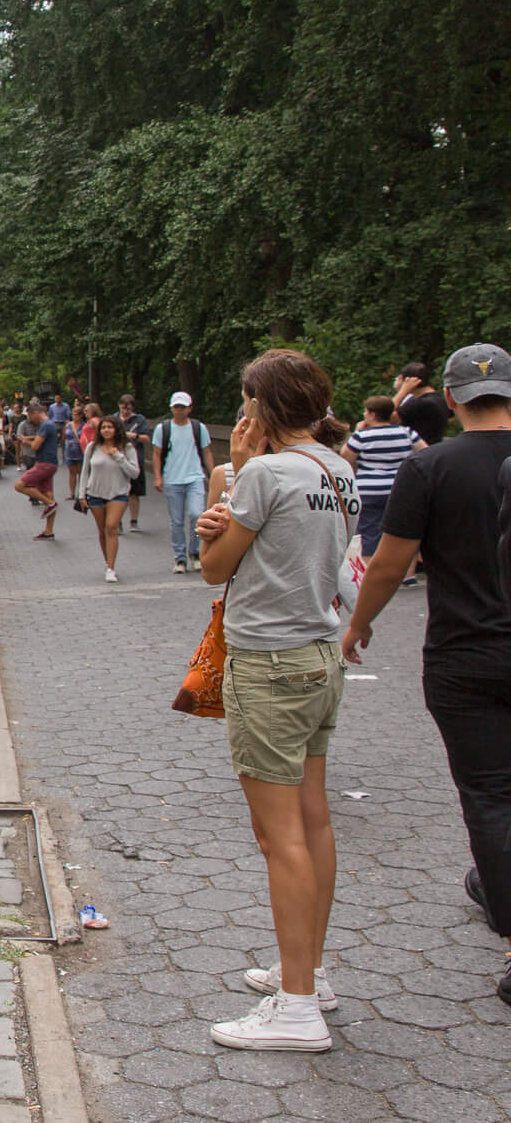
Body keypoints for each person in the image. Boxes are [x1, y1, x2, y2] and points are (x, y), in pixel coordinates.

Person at [195, 349, 358, 1052]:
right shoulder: (336, 466)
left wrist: (222, 491)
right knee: (314, 820)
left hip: (268, 659)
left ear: (259, 407)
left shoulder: (262, 472)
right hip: (320, 654)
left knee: (278, 836)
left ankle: (296, 1010)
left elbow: (213, 567)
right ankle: (309, 971)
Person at [343, 345, 511, 1007]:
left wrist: (358, 624)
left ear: (447, 396)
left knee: (491, 795)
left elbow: (389, 562)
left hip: (464, 653)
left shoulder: (430, 466)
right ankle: (489, 881)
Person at [342, 397, 422, 559]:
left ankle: (368, 571)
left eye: (366, 411)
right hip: (400, 488)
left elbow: (345, 458)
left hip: (369, 490)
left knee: (369, 533)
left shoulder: (361, 436)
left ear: (372, 414)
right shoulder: (407, 433)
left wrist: (359, 430)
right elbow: (424, 452)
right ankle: (408, 575)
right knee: (402, 532)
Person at [154, 392, 214, 574]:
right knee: (177, 521)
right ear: (172, 408)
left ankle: (195, 552)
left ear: (190, 408)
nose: (179, 410)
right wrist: (158, 476)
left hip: (194, 478)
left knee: (197, 515)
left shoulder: (198, 428)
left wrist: (213, 474)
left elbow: (207, 451)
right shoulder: (163, 429)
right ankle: (180, 558)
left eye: (183, 407)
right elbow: (156, 453)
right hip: (173, 479)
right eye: (176, 407)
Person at [83, 416, 140, 582]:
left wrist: (118, 457)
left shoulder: (126, 448)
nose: (106, 430)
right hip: (95, 493)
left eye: (110, 427)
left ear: (117, 429)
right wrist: (81, 495)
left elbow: (135, 473)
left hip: (118, 493)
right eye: (103, 427)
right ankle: (108, 561)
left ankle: (111, 568)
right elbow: (85, 471)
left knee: (111, 527)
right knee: (102, 531)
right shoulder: (93, 447)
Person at [12, 400, 62, 539]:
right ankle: (48, 530)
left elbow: (35, 446)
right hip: (51, 463)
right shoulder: (49, 424)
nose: (30, 420)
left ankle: (50, 504)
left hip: (44, 463)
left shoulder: (44, 425)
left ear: (35, 413)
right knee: (48, 494)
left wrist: (25, 441)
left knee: (19, 486)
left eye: (30, 416)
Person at [395, 361, 452, 446]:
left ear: (408, 381)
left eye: (400, 378)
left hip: (420, 451)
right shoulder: (438, 398)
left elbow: (382, 415)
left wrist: (403, 391)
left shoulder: (421, 403)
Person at [119, 395, 150, 531]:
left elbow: (147, 438)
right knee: (118, 492)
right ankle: (117, 521)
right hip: (118, 459)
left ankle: (133, 521)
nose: (126, 410)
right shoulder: (114, 419)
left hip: (135, 459)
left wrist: (134, 436)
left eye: (129, 408)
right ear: (119, 405)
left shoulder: (139, 420)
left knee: (134, 493)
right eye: (123, 407)